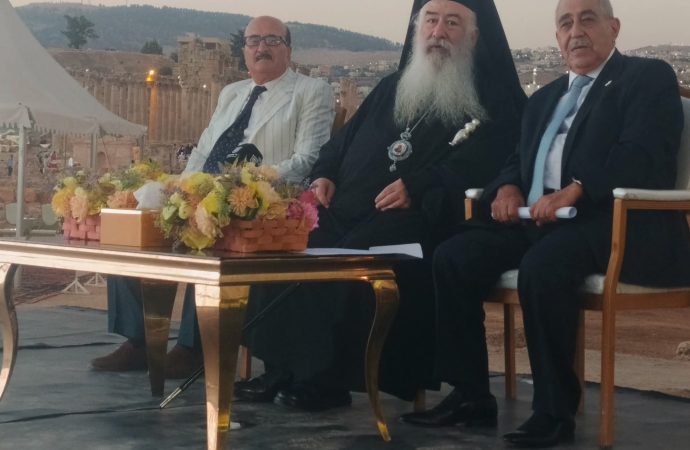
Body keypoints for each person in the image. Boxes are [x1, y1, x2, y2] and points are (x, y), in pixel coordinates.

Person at [400, 0, 690, 448]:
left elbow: (642, 154)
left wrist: (576, 189)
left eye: (588, 19)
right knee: (453, 257)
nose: (576, 31)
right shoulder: (544, 99)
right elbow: (516, 161)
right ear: (556, 38)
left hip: (609, 220)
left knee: (543, 266)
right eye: (565, 23)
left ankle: (554, 413)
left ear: (614, 27)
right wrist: (506, 188)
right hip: (536, 221)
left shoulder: (645, 78)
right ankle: (470, 395)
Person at [236, 0, 526, 411]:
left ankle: (326, 379)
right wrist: (324, 174)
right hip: (345, 210)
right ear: (417, 29)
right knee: (288, 244)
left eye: (452, 22)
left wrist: (421, 185)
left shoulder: (493, 96)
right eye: (431, 20)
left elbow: (488, 163)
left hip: (421, 217)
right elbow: (339, 144)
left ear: (475, 35)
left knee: (355, 257)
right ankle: (284, 366)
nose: (438, 32)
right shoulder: (393, 86)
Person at [92, 15, 335, 379]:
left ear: (288, 49)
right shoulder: (231, 93)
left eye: (272, 40)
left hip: (260, 200)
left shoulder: (310, 91)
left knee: (212, 229)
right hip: (206, 189)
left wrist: (240, 185)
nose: (262, 47)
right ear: (244, 51)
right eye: (253, 41)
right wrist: (182, 187)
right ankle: (139, 340)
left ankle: (194, 347)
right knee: (134, 228)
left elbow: (308, 159)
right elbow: (205, 149)